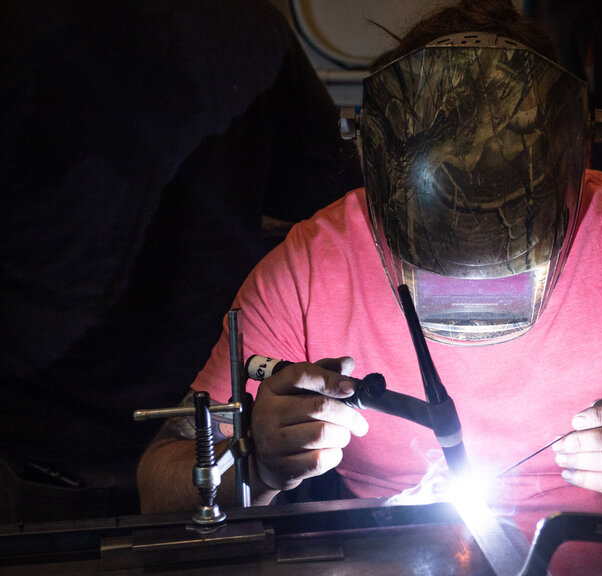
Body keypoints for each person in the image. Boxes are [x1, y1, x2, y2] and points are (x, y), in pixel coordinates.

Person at [137, 0, 602, 576]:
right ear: (373, 167)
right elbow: (160, 480)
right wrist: (253, 460)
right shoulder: (314, 268)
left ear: (574, 160)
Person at [0, 0, 362, 522]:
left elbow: (332, 215)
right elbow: (329, 202)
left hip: (85, 442)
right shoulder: (244, 22)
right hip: (182, 435)